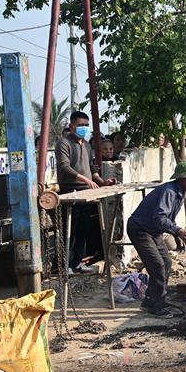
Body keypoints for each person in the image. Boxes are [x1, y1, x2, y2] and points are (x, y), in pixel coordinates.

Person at [126, 160, 186, 317]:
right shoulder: (169, 192)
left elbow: (166, 219)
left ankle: (151, 301)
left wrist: (176, 233)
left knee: (166, 262)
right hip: (140, 229)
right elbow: (159, 218)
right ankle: (157, 306)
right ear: (181, 178)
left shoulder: (181, 192)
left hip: (154, 231)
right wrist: (177, 230)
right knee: (157, 265)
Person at [55, 111, 114, 274]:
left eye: (86, 125)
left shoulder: (87, 145)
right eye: (80, 125)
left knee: (83, 229)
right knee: (70, 230)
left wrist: (102, 182)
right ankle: (65, 265)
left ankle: (77, 263)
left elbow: (92, 169)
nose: (84, 128)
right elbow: (64, 167)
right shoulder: (64, 143)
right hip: (70, 191)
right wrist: (85, 180)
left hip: (87, 192)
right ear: (72, 125)